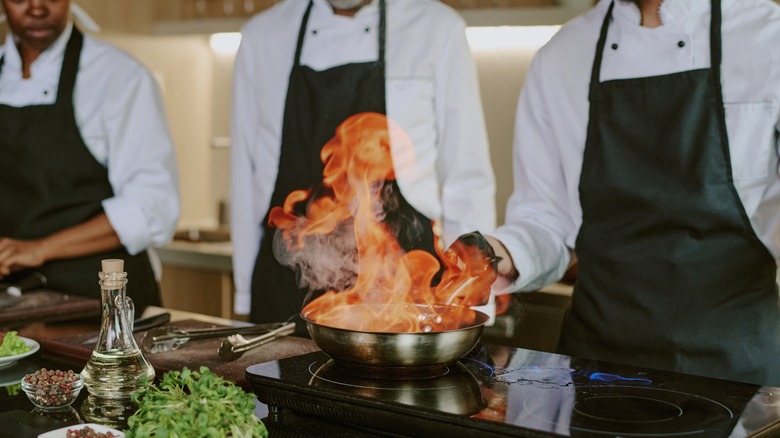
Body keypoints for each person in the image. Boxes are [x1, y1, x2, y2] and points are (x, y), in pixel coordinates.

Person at [480, 0, 780, 386]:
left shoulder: (768, 38)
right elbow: (546, 218)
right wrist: (499, 253)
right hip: (597, 370)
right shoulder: (561, 56)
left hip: (737, 370)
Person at [231, 0, 496, 326]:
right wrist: (243, 297)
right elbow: (245, 178)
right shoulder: (262, 36)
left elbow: (467, 179)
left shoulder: (438, 28)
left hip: (403, 290)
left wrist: (478, 303)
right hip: (286, 287)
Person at [0, 0, 180, 313]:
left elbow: (151, 206)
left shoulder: (119, 77)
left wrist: (38, 249)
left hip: (103, 300)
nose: (37, 7)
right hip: (13, 301)